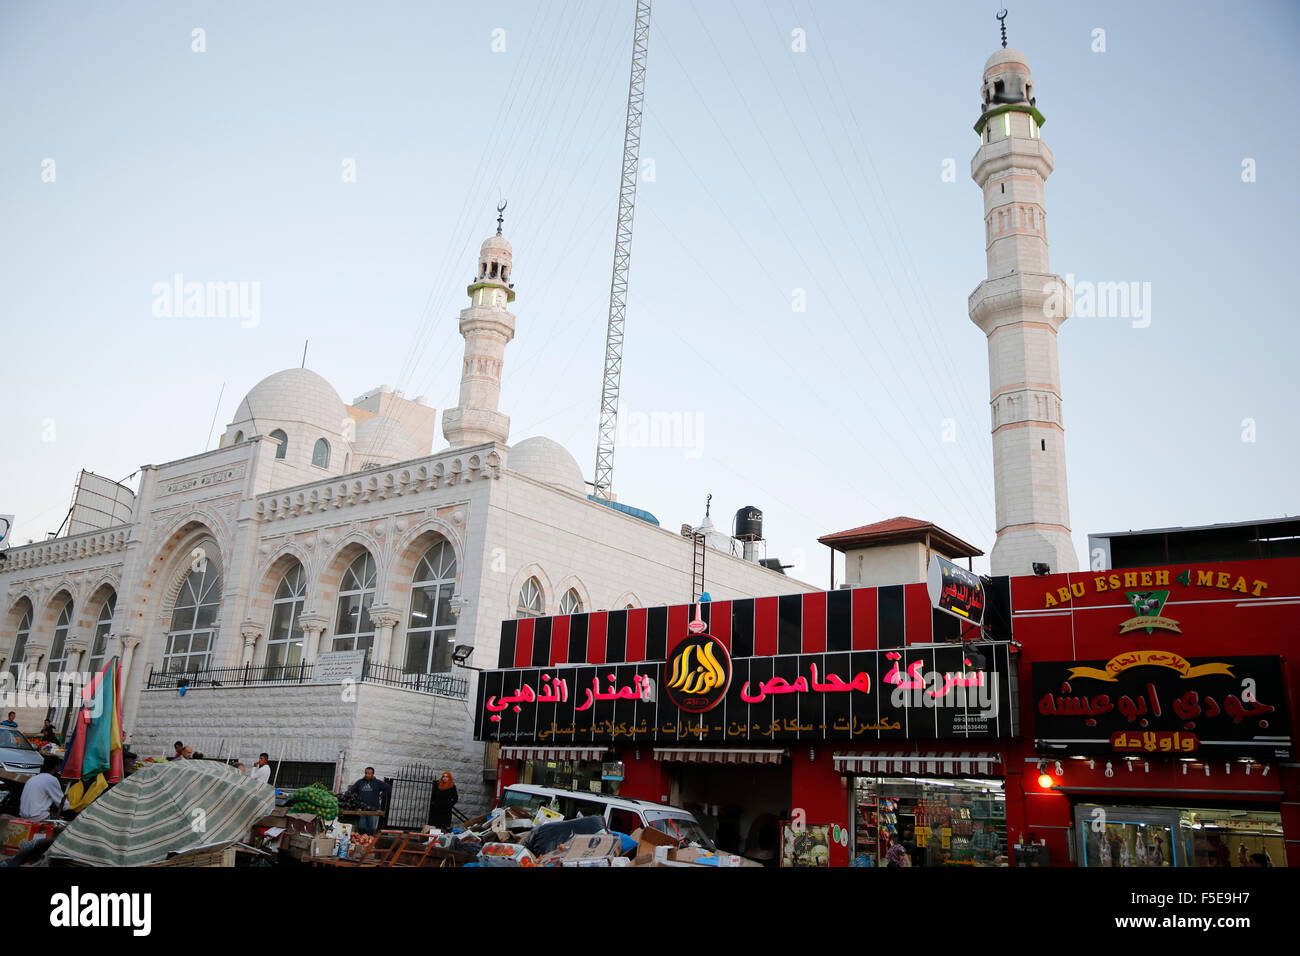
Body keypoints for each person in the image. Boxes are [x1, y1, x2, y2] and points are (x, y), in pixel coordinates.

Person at [19, 755, 69, 821]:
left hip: (24, 815)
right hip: (37, 816)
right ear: (55, 767)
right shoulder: (51, 779)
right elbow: (64, 805)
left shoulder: (34, 778)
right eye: (59, 765)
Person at [346, 767, 391, 835]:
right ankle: (361, 844)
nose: (367, 775)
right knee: (361, 828)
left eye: (369, 774)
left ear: (373, 774)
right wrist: (347, 794)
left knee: (371, 829)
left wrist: (382, 796)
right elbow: (351, 790)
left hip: (374, 810)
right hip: (362, 809)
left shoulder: (377, 782)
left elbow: (388, 788)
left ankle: (370, 843)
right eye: (366, 773)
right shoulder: (360, 782)